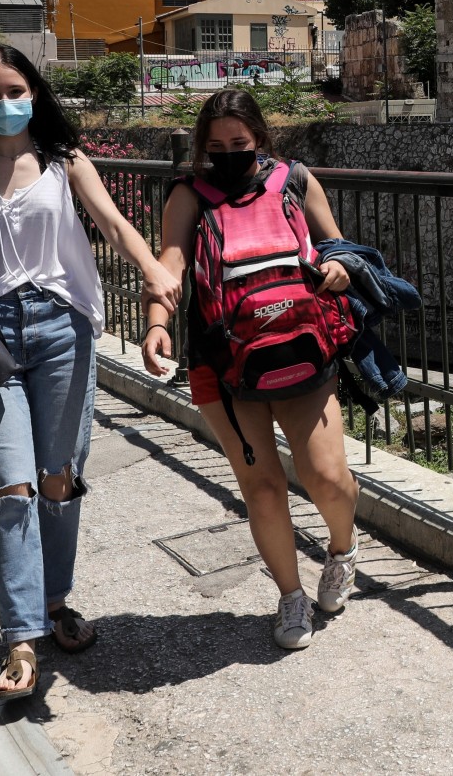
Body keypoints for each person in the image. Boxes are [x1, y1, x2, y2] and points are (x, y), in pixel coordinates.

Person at [0, 45, 179, 702]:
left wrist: (154, 274)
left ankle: (55, 603)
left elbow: (114, 225)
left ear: (34, 92)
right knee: (12, 486)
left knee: (57, 478)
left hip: (63, 328)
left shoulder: (64, 161)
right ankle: (21, 639)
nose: (5, 103)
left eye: (15, 89)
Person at [142, 88, 359, 651]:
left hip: (301, 345)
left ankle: (342, 550)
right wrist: (157, 319)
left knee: (328, 479)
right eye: (216, 147)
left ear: (259, 138)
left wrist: (337, 266)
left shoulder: (296, 181)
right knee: (261, 488)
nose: (228, 154)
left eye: (238, 143)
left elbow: (334, 243)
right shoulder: (190, 193)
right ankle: (290, 597)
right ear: (202, 148)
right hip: (223, 359)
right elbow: (172, 259)